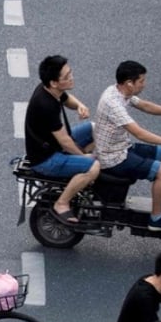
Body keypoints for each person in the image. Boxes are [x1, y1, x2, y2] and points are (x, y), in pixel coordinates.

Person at [93, 60, 161, 232]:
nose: (144, 84)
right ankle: (156, 219)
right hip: (114, 158)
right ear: (129, 83)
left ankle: (159, 199)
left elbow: (145, 106)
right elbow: (139, 133)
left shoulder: (120, 92)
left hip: (123, 147)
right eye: (141, 81)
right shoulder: (113, 104)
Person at [23, 55, 100, 224]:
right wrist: (83, 157)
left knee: (96, 129)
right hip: (46, 159)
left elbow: (66, 98)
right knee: (93, 167)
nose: (71, 78)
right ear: (53, 83)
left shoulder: (49, 89)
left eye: (70, 73)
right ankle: (62, 203)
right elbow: (65, 141)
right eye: (66, 77)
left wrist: (80, 105)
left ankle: (77, 170)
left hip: (53, 145)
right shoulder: (45, 104)